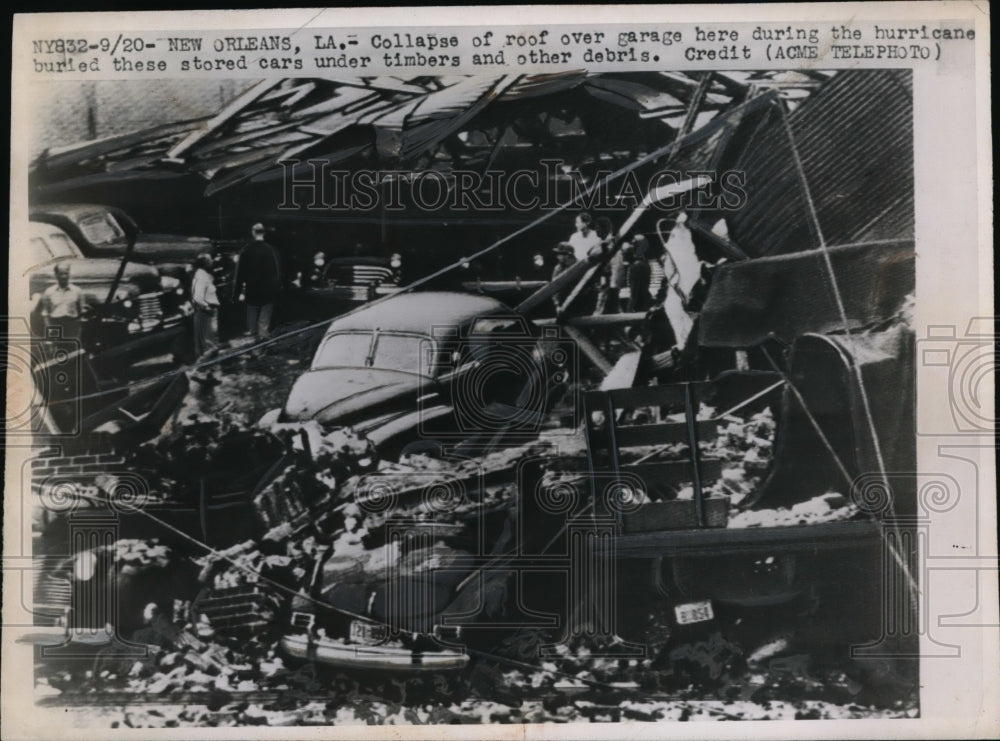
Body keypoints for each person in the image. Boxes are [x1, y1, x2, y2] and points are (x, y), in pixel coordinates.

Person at [233, 222, 282, 341]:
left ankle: (252, 339)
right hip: (268, 290)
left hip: (252, 290)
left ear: (253, 233)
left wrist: (236, 294)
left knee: (252, 316)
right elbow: (277, 272)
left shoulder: (245, 250)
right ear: (264, 233)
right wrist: (277, 289)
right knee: (264, 319)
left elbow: (239, 274)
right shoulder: (271, 250)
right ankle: (262, 342)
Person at [190, 252, 220, 385]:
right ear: (204, 263)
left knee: (209, 345)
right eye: (209, 260)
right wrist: (207, 308)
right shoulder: (202, 276)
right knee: (212, 347)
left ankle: (208, 374)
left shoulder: (203, 275)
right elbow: (197, 297)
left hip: (207, 313)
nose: (212, 262)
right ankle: (198, 371)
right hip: (206, 314)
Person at [36, 263, 86, 340]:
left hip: (72, 326)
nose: (64, 276)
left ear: (69, 274)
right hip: (56, 325)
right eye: (61, 274)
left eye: (66, 273)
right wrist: (50, 329)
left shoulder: (77, 291)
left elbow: (82, 312)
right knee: (57, 347)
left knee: (72, 347)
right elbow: (46, 313)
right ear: (56, 275)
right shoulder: (49, 292)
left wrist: (78, 331)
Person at [627, 235, 653, 312]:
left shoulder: (637, 264)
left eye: (633, 243)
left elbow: (635, 290)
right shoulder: (644, 261)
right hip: (643, 305)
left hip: (637, 307)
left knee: (637, 290)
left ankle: (634, 308)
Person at [551, 242, 577, 311]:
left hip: (579, 300)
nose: (557, 257)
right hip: (563, 302)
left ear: (567, 255)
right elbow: (554, 287)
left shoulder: (579, 265)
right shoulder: (558, 268)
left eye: (559, 254)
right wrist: (557, 304)